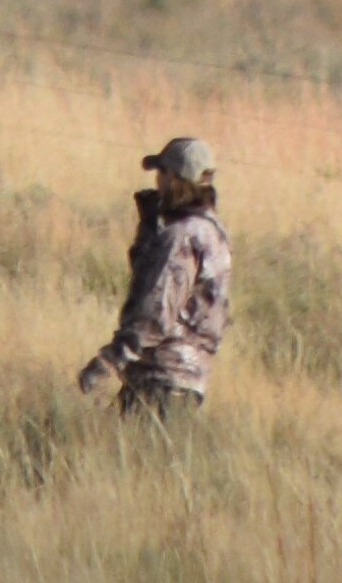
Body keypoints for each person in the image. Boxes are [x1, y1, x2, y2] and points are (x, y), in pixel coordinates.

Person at [78, 133, 229, 421]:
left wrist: (110, 361)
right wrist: (149, 229)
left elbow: (156, 311)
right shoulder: (213, 233)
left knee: (125, 459)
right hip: (189, 381)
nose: (157, 181)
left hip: (160, 380)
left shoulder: (180, 237)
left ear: (176, 179)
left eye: (162, 172)